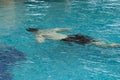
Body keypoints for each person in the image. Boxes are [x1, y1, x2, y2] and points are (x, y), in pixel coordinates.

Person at [26, 28, 120, 48]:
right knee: (95, 41)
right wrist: (67, 28)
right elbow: (61, 28)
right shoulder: (49, 30)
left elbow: (40, 42)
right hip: (74, 35)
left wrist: (38, 39)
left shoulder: (39, 34)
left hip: (68, 39)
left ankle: (113, 45)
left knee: (97, 44)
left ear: (33, 32)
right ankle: (113, 44)